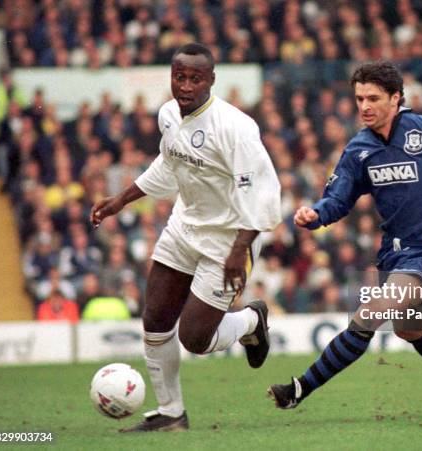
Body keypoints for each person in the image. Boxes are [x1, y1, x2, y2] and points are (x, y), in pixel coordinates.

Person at [268, 61, 422, 415]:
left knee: (373, 310)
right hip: (395, 256)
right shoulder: (359, 149)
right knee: (408, 328)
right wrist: (317, 214)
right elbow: (339, 199)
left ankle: (299, 388)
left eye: (373, 98)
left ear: (396, 98)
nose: (364, 106)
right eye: (358, 98)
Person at [90, 43, 281, 431]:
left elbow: (261, 194)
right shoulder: (167, 115)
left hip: (230, 239)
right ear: (171, 77)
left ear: (212, 80)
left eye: (196, 78)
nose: (186, 85)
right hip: (184, 226)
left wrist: (239, 251)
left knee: (195, 338)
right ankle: (171, 413)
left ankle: (249, 321)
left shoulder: (236, 128)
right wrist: (121, 200)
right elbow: (168, 164)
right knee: (155, 319)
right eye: (180, 76)